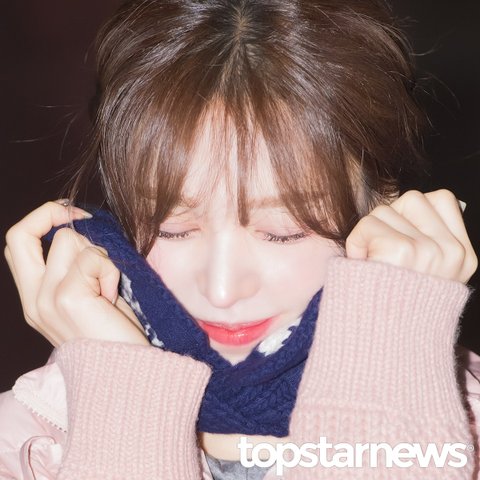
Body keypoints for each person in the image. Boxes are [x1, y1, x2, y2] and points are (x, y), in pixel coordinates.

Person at [1, 0, 479, 478]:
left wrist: (386, 369)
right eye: (172, 227)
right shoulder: (19, 442)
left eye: (283, 232)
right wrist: (120, 392)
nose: (222, 289)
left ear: (383, 208)